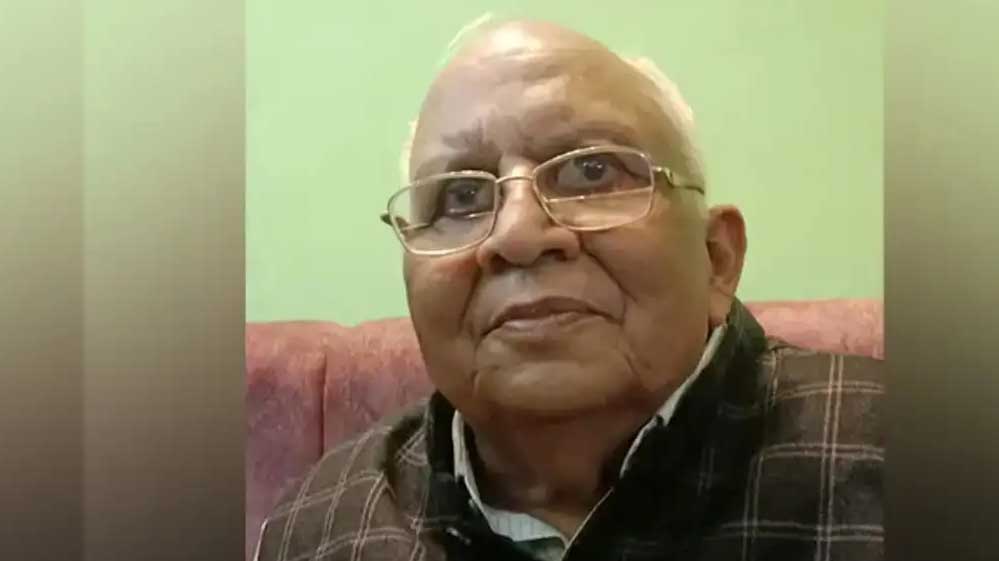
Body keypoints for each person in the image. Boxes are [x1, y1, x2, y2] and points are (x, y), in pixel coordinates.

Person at [255, 18, 883, 561]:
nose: (519, 235)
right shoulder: (323, 527)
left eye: (591, 171)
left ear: (716, 258)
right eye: (462, 196)